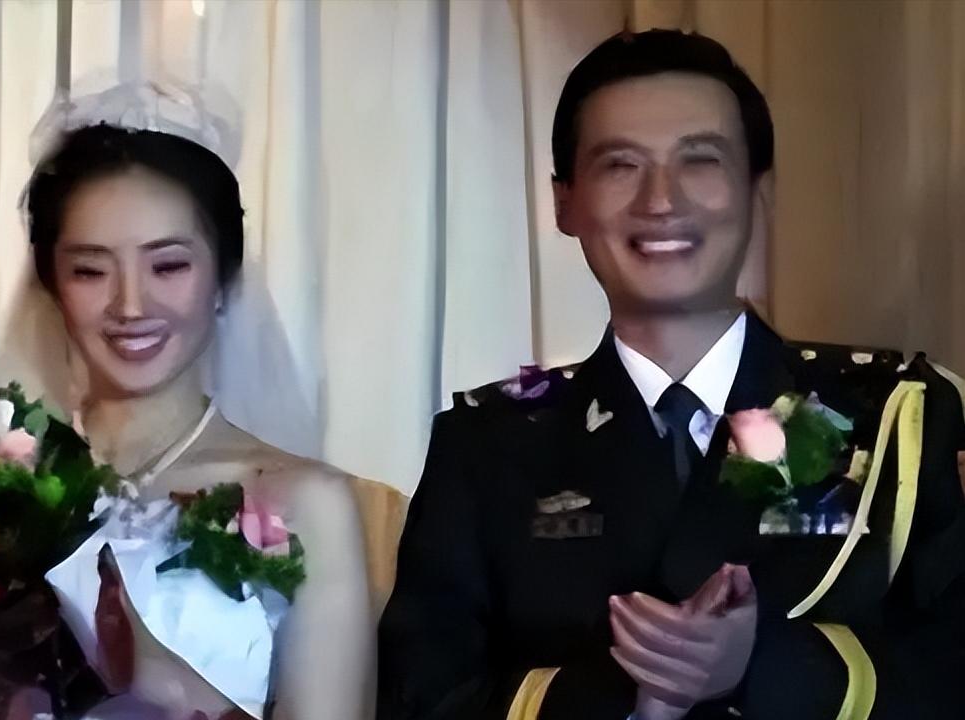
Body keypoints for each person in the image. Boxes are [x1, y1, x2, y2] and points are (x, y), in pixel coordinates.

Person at [378, 29, 965, 720]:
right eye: (620, 165)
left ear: (759, 189)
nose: (661, 200)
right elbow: (422, 697)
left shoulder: (891, 414)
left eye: (701, 160)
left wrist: (759, 666)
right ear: (565, 202)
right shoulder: (488, 445)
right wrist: (628, 693)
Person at [22, 110, 372, 719]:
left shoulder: (307, 502)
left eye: (168, 266)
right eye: (91, 270)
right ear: (52, 285)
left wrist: (165, 686)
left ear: (223, 280)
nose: (131, 305)